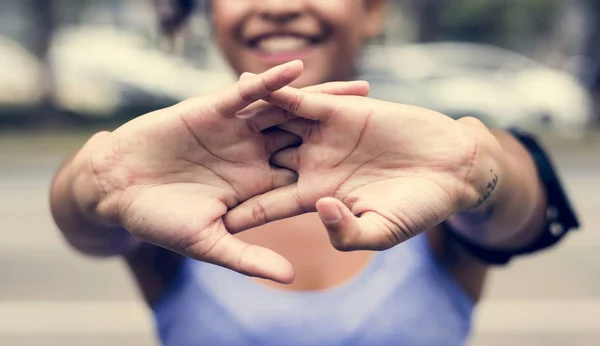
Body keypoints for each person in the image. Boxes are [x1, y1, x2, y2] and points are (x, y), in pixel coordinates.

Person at [50, 1, 579, 345]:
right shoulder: (172, 178)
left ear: (372, 11)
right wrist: (101, 179)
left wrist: (474, 169)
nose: (279, 6)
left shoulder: (424, 166)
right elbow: (86, 228)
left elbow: (520, 215)